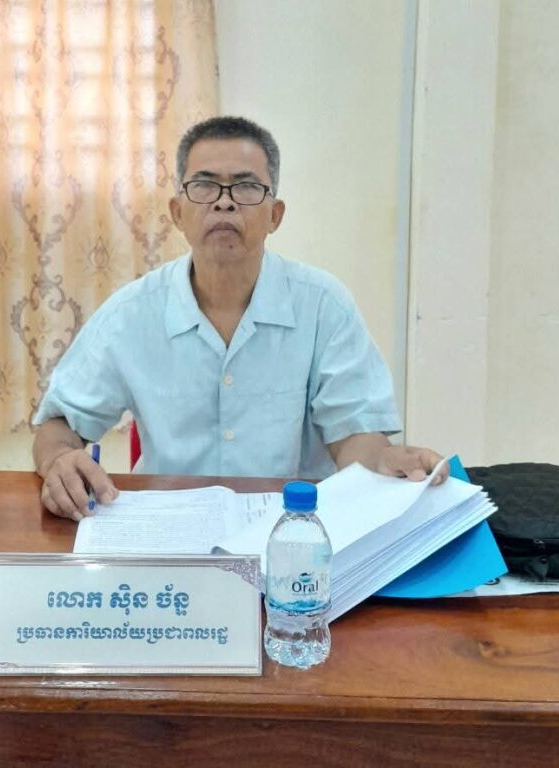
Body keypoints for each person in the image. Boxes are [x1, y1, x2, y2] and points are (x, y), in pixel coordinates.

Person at [33, 116, 445, 520]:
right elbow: (60, 423)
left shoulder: (323, 306)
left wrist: (383, 461)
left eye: (246, 187)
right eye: (204, 185)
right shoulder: (132, 314)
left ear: (275, 215)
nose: (224, 201)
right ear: (177, 212)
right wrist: (59, 460)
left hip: (292, 530)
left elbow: (355, 435)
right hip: (169, 526)